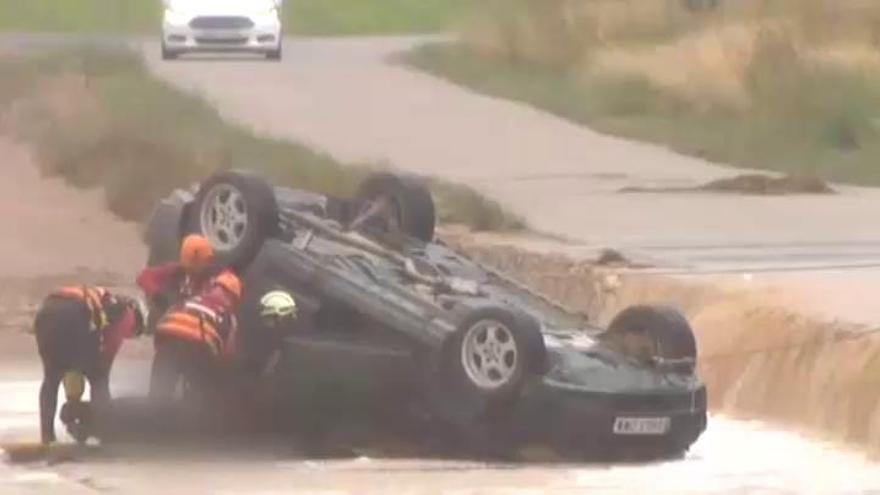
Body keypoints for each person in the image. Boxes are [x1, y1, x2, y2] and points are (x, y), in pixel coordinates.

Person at [137, 234, 243, 401]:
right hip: (178, 333)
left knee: (187, 394)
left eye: (197, 263)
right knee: (166, 394)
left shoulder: (220, 278)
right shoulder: (177, 271)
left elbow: (229, 284)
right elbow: (145, 277)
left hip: (185, 335)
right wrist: (159, 296)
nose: (192, 269)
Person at [34, 286, 145, 444]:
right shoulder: (127, 313)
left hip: (46, 312)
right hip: (74, 311)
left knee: (52, 378)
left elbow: (73, 363)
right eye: (133, 333)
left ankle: (47, 437)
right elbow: (107, 352)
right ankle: (106, 437)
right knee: (99, 379)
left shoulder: (104, 302)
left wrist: (73, 399)